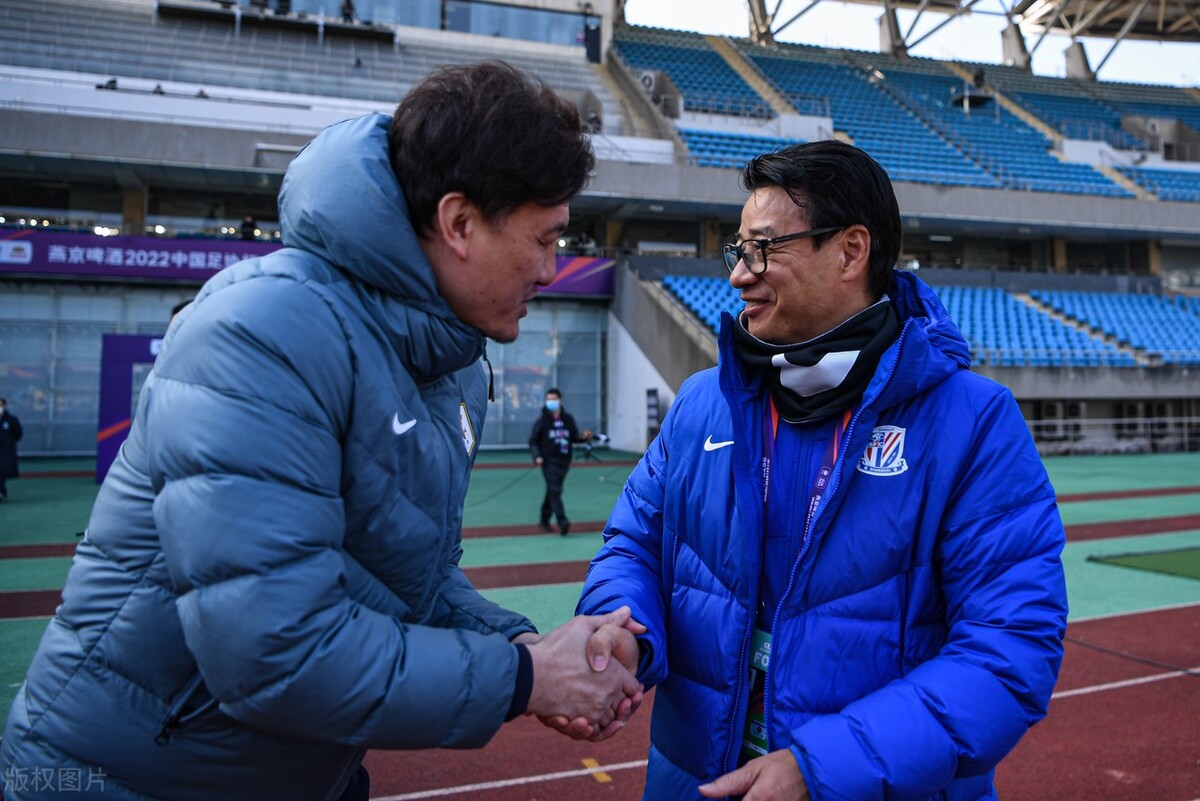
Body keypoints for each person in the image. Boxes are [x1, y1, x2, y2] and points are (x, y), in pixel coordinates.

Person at [2, 61, 643, 801]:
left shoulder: (447, 361)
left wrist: (525, 644)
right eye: (545, 238)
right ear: (459, 222)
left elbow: (408, 580)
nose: (552, 270)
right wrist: (527, 679)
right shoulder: (262, 331)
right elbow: (275, 654)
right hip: (124, 779)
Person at [576, 140, 1068, 801]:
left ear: (850, 251)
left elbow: (1010, 652)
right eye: (737, 250)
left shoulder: (974, 423)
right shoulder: (700, 403)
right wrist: (621, 624)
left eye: (764, 248)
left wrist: (823, 767)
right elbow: (634, 543)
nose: (738, 275)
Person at [529, 388, 592, 535]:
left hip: (564, 461)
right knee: (556, 490)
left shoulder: (568, 419)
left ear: (560, 400)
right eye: (549, 399)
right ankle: (562, 521)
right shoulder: (542, 421)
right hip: (548, 461)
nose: (551, 402)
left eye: (554, 399)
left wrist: (585, 436)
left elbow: (574, 437)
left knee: (552, 490)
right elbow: (533, 440)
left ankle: (544, 519)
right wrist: (537, 455)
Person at [0, 397, 22, 502]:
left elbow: (18, 434)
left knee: (1, 472)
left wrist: (8, 443)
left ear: (5, 406)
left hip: (5, 451)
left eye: (1, 405)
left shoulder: (11, 419)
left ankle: (2, 494)